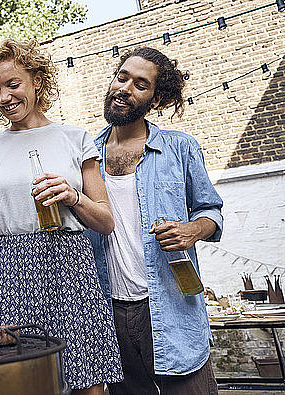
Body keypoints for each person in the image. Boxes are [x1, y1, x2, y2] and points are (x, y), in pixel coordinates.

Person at [0, 38, 123, 394]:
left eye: (12, 84)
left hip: (70, 268)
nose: (4, 97)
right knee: (17, 380)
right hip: (11, 272)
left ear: (36, 80)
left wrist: (73, 196)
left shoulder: (75, 138)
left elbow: (106, 221)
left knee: (87, 380)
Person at [88, 46, 223, 394]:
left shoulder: (180, 147)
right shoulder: (85, 155)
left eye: (140, 84)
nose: (125, 88)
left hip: (170, 305)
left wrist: (192, 229)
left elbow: (210, 210)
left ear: (156, 99)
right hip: (109, 309)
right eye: (122, 77)